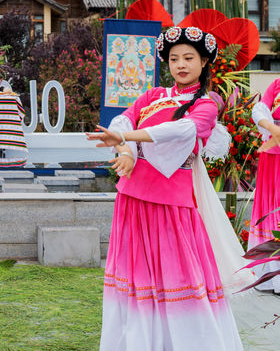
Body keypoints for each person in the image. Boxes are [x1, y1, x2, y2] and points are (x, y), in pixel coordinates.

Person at [87, 26, 243, 351]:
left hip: (172, 204)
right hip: (132, 199)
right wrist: (126, 153)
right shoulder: (152, 96)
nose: (180, 65)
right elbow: (121, 122)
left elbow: (181, 131)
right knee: (138, 278)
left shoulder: (206, 104)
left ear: (203, 62)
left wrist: (127, 141)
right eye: (174, 59)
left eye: (188, 58)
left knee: (179, 275)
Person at [250, 75, 280, 293]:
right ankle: (272, 276)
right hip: (273, 154)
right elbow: (260, 108)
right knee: (273, 210)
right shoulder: (277, 84)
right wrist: (272, 127)